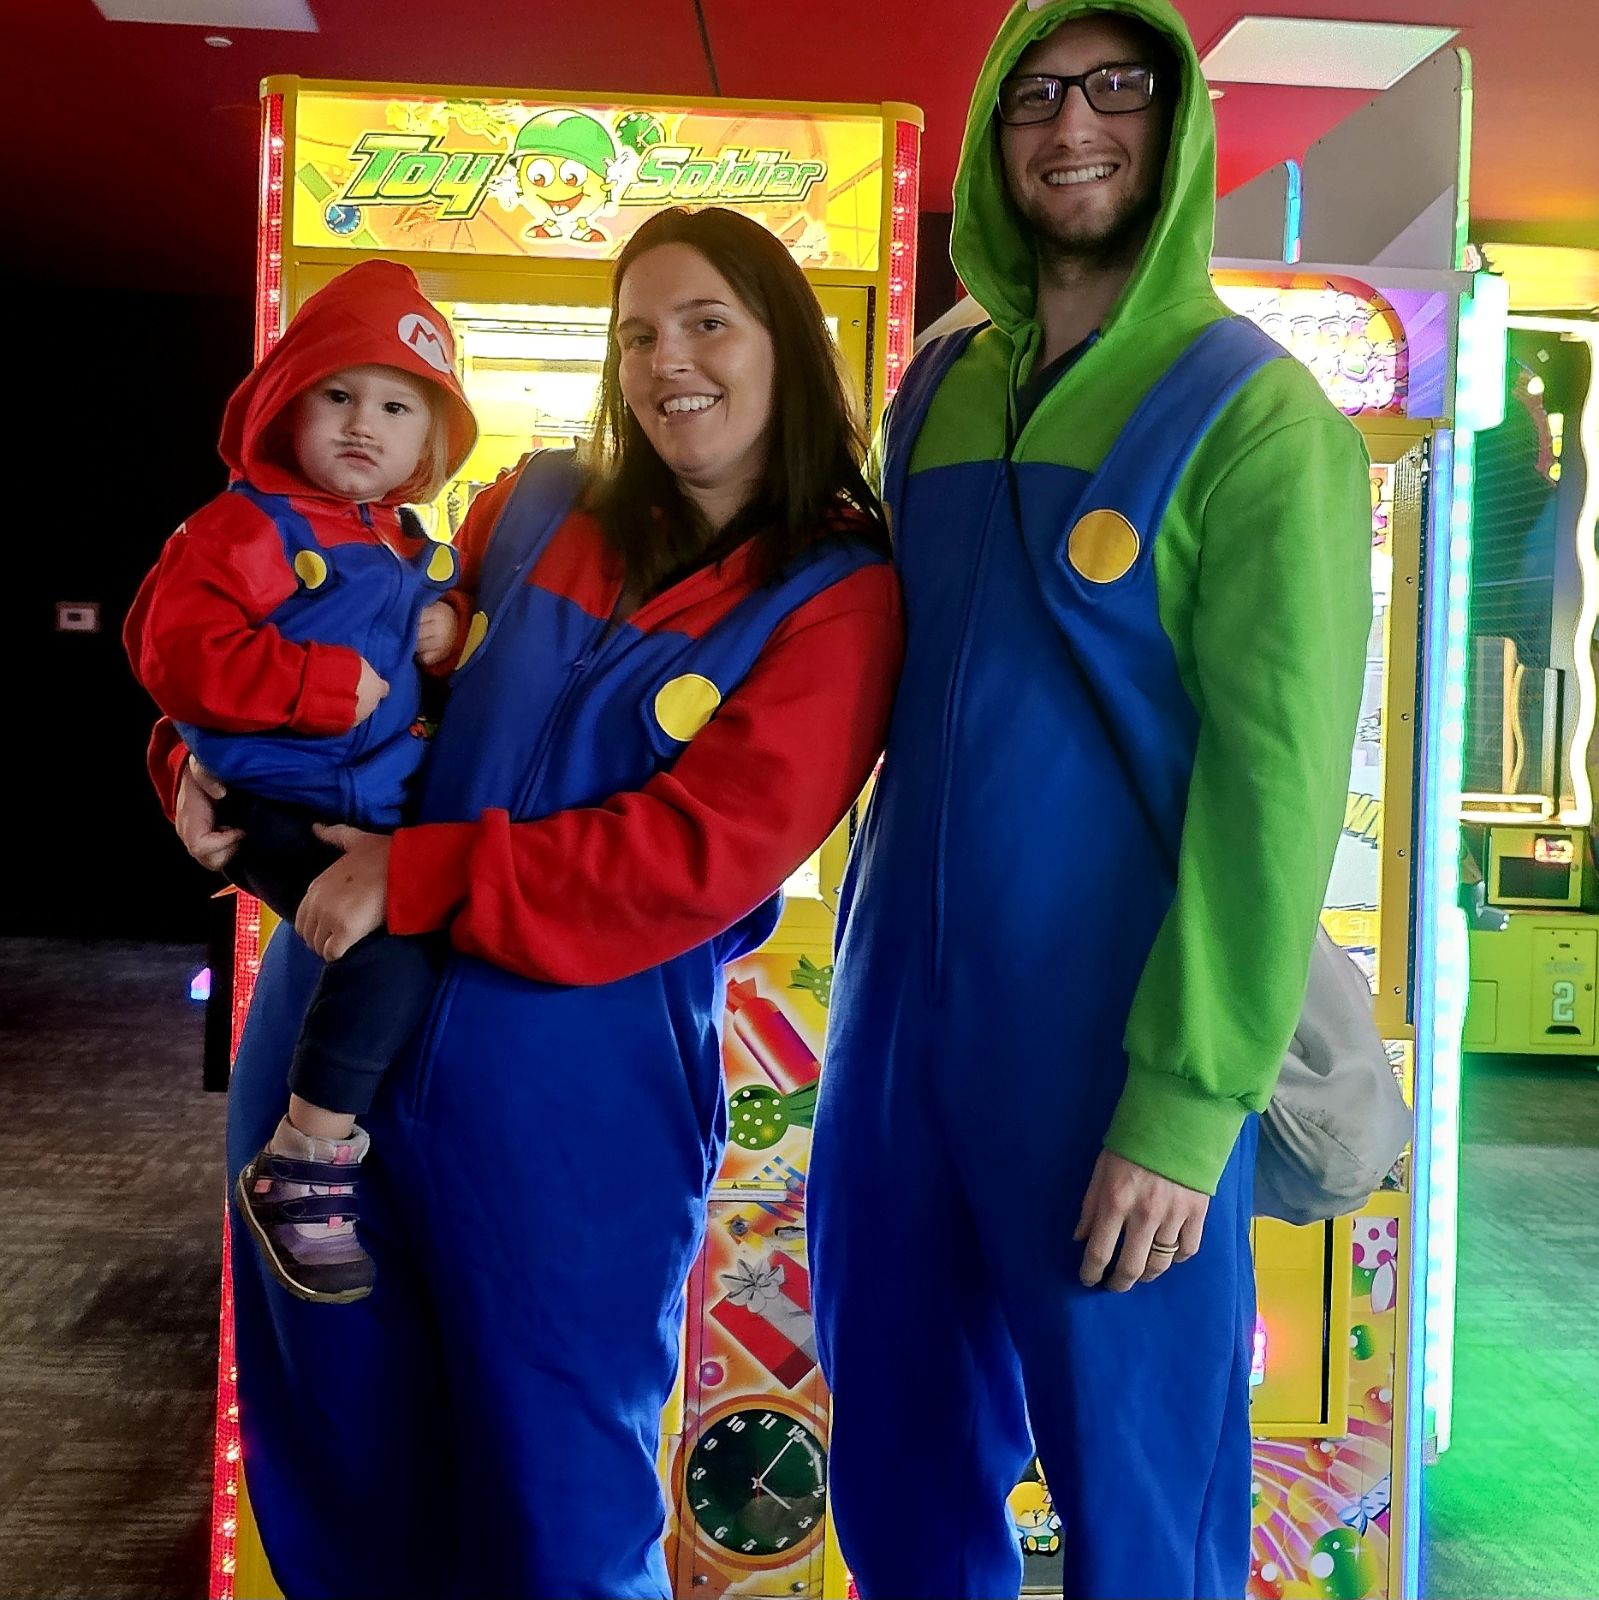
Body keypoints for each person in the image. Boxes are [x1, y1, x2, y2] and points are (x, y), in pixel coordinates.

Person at [154, 205, 902, 1598]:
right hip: (325, 1062)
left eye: (705, 323)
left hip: (571, 1115)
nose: (664, 360)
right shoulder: (537, 501)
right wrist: (194, 762)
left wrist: (420, 873)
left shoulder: (836, 597)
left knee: (556, 1516)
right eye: (634, 333)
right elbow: (338, 661)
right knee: (336, 1477)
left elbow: (691, 856)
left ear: (784, 348)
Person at [808, 3, 1372, 1597]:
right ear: (991, 134)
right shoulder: (933, 393)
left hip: (1114, 1065)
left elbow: (1273, 799)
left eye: (1113, 86)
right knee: (898, 1485)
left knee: (1139, 1522)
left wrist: (1184, 1111)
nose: (1072, 125)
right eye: (1034, 95)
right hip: (886, 1048)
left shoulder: (1259, 421)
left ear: (1174, 121)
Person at [125, 260, 479, 1304]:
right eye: (338, 394)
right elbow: (173, 651)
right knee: (388, 948)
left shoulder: (409, 548)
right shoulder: (252, 527)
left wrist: (451, 635)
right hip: (277, 802)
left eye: (396, 404)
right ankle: (305, 1158)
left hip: (364, 805)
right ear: (287, 404)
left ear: (430, 442)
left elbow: (455, 666)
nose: (363, 422)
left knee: (408, 945)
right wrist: (317, 683)